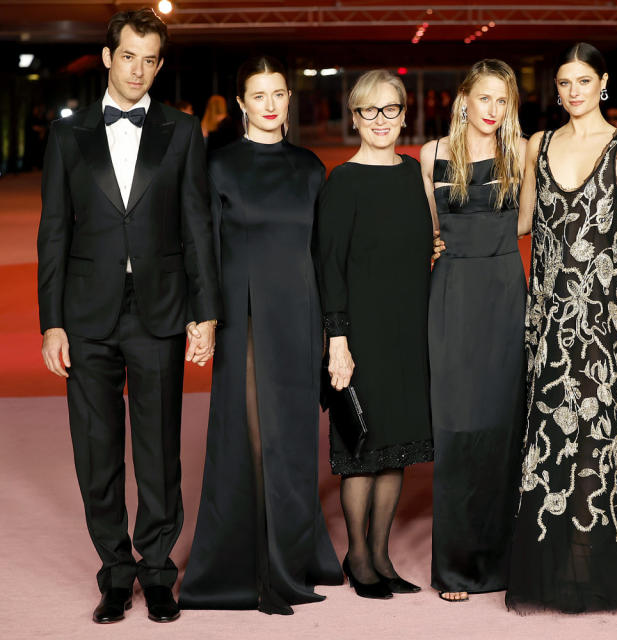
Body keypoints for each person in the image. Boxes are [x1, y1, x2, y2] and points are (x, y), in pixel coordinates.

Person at [36, 8, 220, 624]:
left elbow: (198, 229)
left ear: (159, 64)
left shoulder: (184, 132)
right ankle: (115, 572)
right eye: (129, 56)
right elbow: (54, 233)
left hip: (160, 313)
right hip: (86, 316)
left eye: (150, 59)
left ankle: (159, 571)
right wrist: (51, 321)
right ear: (108, 57)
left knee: (160, 449)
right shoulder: (68, 135)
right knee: (96, 450)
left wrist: (206, 311)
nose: (138, 69)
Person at [507, 42, 617, 614]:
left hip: (606, 312)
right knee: (551, 428)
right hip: (551, 312)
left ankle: (597, 549)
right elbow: (521, 223)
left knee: (603, 425)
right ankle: (556, 552)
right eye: (564, 82)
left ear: (602, 83)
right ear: (556, 89)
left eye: (583, 80)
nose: (573, 91)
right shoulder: (538, 145)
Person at [178, 55, 342, 615]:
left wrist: (332, 328)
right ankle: (248, 563)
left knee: (293, 440)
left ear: (288, 101)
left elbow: (326, 253)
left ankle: (291, 553)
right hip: (244, 315)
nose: (271, 105)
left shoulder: (310, 168)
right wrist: (202, 317)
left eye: (279, 94)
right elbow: (202, 249)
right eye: (259, 95)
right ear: (242, 104)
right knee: (250, 434)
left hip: (299, 311)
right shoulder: (218, 166)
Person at [319, 69, 434, 600]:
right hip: (360, 333)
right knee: (361, 445)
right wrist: (337, 340)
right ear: (356, 117)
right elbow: (329, 267)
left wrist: (437, 248)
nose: (381, 120)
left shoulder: (414, 175)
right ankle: (358, 557)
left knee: (395, 447)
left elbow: (423, 239)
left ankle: (382, 554)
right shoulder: (342, 181)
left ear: (404, 114)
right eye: (370, 111)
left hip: (408, 329)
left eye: (391, 110)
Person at [420, 59, 526, 604]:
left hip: (505, 291)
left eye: (502, 101)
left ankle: (503, 560)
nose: (492, 110)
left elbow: (527, 220)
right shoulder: (431, 155)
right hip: (454, 295)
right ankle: (457, 567)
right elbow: (428, 229)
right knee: (458, 427)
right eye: (484, 98)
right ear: (463, 99)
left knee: (504, 425)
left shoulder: (520, 152)